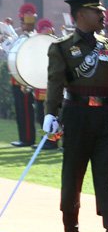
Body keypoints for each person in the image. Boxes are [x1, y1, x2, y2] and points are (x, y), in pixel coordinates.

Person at [44, 0, 108, 232]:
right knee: (73, 177)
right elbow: (55, 83)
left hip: (105, 118)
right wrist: (50, 114)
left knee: (107, 179)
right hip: (76, 115)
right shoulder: (61, 47)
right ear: (81, 15)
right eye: (97, 12)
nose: (103, 16)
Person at [10, 3, 37, 147]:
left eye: (24, 22)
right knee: (20, 110)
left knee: (26, 111)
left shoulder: (33, 38)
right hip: (16, 78)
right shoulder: (21, 37)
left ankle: (28, 139)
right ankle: (23, 138)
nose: (22, 25)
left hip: (25, 79)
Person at [32, 19, 59, 150]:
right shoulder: (36, 48)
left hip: (51, 87)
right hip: (40, 87)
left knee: (51, 114)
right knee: (40, 116)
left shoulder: (56, 47)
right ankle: (45, 140)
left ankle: (52, 141)